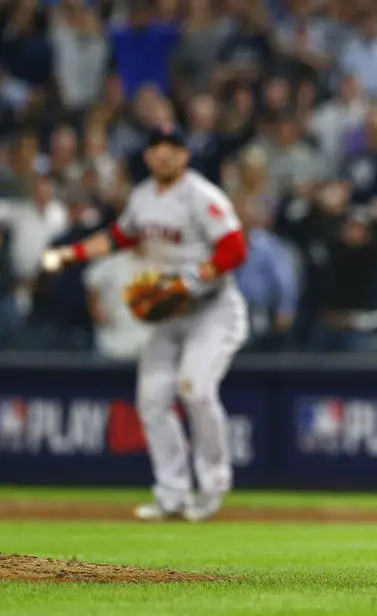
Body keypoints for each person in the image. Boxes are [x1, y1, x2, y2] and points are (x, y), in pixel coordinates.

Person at [39, 126, 249, 522]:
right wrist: (72, 254)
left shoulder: (201, 196)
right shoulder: (143, 197)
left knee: (196, 390)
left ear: (184, 155)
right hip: (169, 314)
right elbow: (120, 237)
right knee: (152, 400)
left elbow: (235, 248)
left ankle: (213, 484)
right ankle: (171, 493)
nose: (163, 155)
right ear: (148, 156)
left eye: (172, 148)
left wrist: (194, 278)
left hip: (213, 310)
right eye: (156, 148)